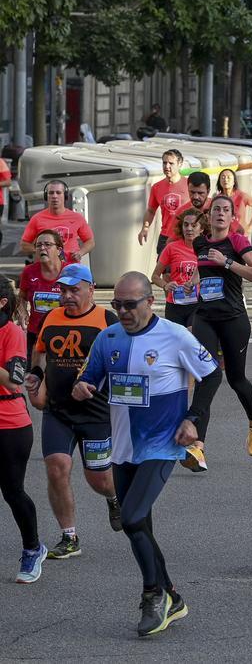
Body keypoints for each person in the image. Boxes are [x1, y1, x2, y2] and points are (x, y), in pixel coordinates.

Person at [73, 271, 217, 637]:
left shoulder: (175, 336)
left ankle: (152, 595)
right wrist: (83, 387)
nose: (122, 311)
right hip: (123, 447)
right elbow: (91, 375)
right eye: (116, 304)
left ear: (150, 302)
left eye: (129, 304)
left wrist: (193, 418)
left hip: (162, 444)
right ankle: (172, 596)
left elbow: (211, 375)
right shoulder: (109, 338)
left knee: (132, 518)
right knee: (141, 526)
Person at [25, 263, 121, 559]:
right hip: (58, 411)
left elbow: (120, 361)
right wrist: (35, 376)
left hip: (95, 413)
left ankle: (114, 498)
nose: (66, 296)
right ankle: (69, 537)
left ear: (91, 289)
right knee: (56, 468)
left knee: (99, 480)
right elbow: (40, 351)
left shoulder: (107, 319)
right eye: (63, 290)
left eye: (73, 290)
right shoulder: (52, 317)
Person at [189, 195, 252, 464]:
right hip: (205, 318)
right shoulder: (198, 242)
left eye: (225, 210)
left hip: (233, 318)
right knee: (206, 375)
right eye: (215, 210)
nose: (220, 214)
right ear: (208, 216)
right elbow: (203, 271)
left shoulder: (237, 241)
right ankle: (198, 445)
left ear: (232, 216)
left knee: (236, 379)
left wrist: (227, 262)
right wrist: (192, 281)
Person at [0, 275, 44, 583]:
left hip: (9, 423)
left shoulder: (11, 331)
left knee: (12, 492)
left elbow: (15, 379)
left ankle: (32, 549)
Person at [151, 209, 207, 328]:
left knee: (191, 335)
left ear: (201, 229)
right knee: (177, 342)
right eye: (185, 225)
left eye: (194, 225)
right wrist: (166, 285)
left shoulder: (206, 249)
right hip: (175, 305)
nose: (189, 229)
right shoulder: (171, 248)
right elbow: (155, 276)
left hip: (197, 304)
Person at [21, 180, 95, 262]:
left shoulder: (77, 218)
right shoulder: (37, 218)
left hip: (70, 267)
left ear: (65, 196)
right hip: (46, 268)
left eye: (58, 193)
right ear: (46, 196)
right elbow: (24, 245)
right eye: (51, 193)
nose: (54, 196)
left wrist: (80, 253)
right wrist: (41, 251)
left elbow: (90, 241)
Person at [18, 230, 63, 360]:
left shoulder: (70, 271)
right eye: (39, 245)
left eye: (48, 244)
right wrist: (22, 312)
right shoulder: (29, 271)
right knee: (33, 374)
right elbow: (21, 297)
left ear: (59, 250)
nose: (42, 248)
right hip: (35, 332)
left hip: (62, 332)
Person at [139, 150, 189, 253]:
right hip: (165, 237)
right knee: (162, 268)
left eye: (171, 163)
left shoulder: (189, 185)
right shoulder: (157, 187)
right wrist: (145, 227)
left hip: (185, 236)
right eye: (164, 163)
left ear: (180, 164)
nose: (167, 166)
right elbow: (151, 211)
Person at [216, 169, 252, 235]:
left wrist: (251, 226)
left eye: (229, 177)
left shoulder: (241, 196)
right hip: (224, 236)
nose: (225, 180)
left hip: (240, 235)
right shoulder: (217, 199)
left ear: (234, 181)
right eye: (223, 177)